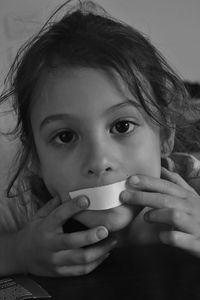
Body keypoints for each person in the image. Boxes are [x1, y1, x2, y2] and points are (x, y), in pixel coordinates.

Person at [0, 0, 200, 277]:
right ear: (35, 157)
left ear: (164, 135)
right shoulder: (24, 209)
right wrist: (19, 252)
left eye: (122, 126)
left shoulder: (195, 191)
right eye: (66, 136)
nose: (99, 161)